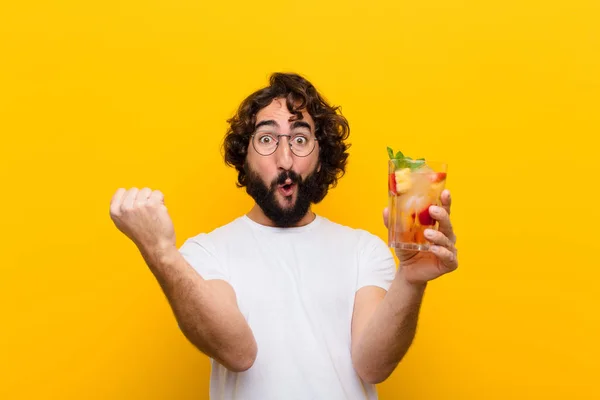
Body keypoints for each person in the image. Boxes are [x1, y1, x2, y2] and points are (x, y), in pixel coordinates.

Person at [109, 72, 458, 399]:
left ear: (321, 158)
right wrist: (161, 252)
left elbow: (372, 365)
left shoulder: (363, 250)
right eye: (266, 139)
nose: (285, 157)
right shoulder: (206, 252)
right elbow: (238, 352)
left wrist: (411, 280)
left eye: (301, 139)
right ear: (243, 158)